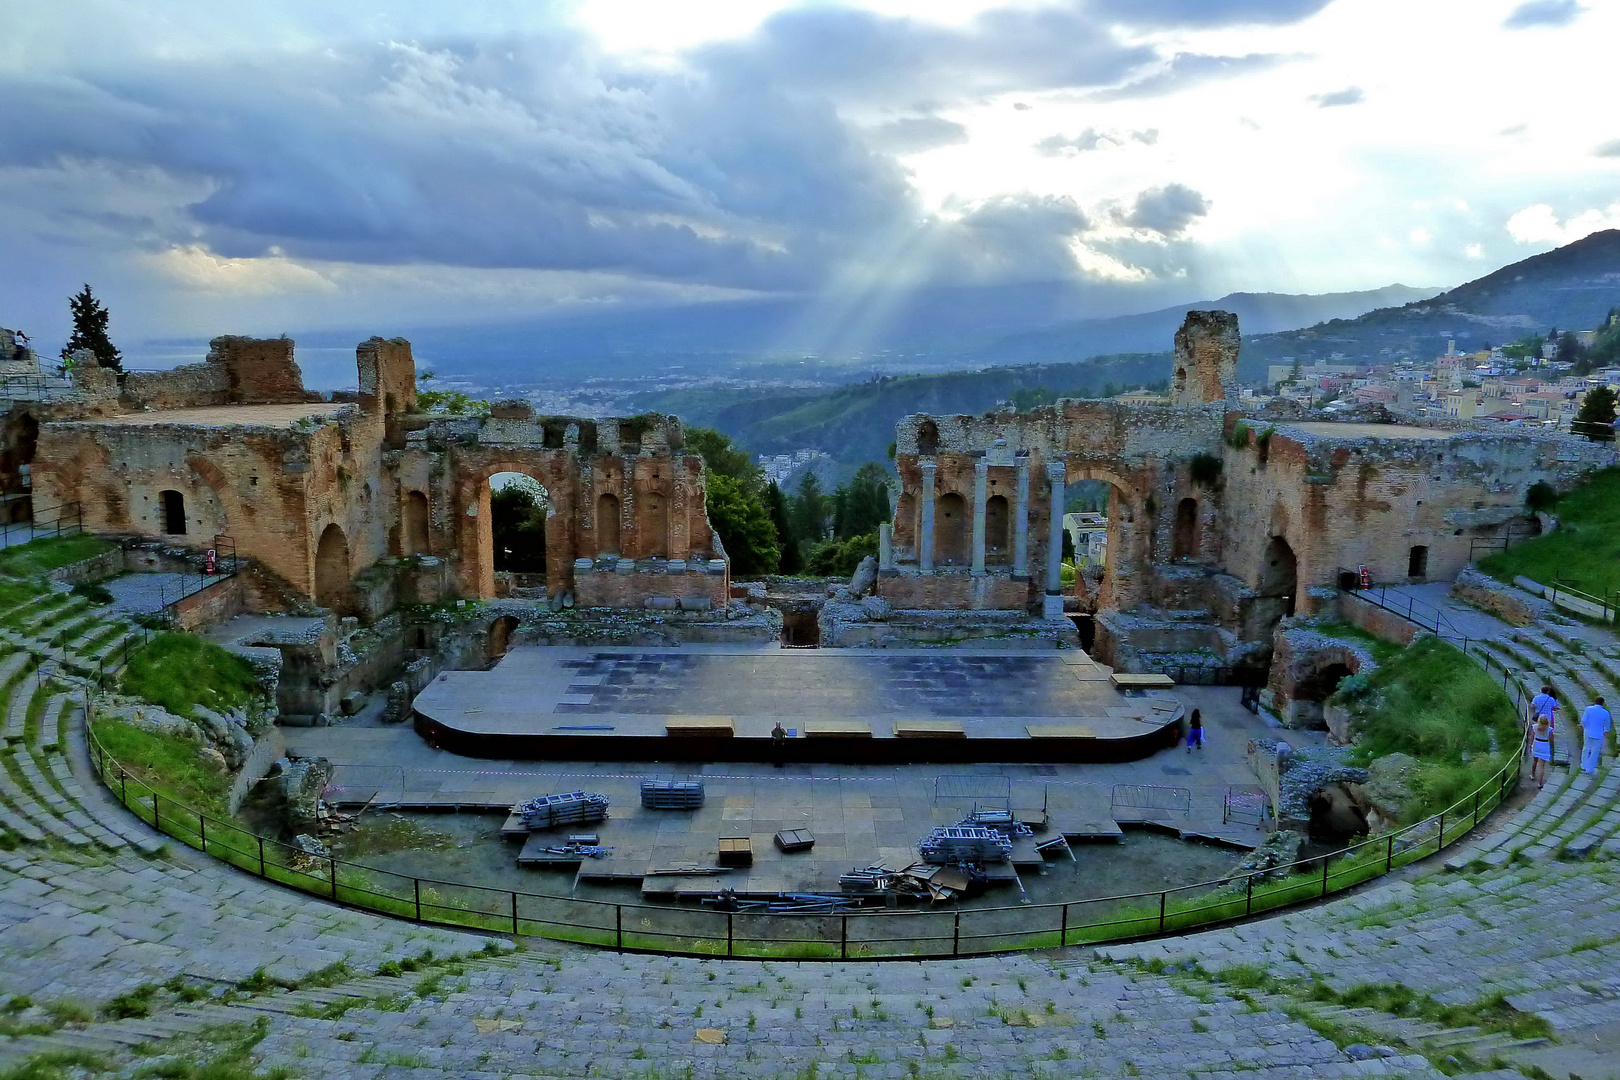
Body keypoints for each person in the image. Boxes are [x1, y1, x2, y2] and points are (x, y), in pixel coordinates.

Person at [1580, 696, 1612, 775]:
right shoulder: (1605, 713)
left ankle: (1584, 765)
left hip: (1588, 731)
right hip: (1598, 733)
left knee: (1586, 748)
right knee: (1595, 751)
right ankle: (1590, 768)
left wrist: (1586, 727)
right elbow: (1607, 725)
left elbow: (1583, 720)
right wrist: (1606, 730)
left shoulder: (1588, 709)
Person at [1530, 716, 1552, 789]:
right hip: (1544, 745)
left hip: (1537, 744)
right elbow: (1551, 740)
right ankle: (1540, 782)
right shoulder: (1549, 730)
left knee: (1535, 761)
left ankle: (1533, 774)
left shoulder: (1534, 727)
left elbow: (1532, 737)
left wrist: (1530, 745)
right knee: (1542, 766)